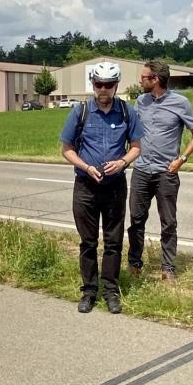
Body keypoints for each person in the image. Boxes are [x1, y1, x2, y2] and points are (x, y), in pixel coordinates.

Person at [59, 61, 142, 314]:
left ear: (116, 85)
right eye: (99, 84)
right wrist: (86, 167)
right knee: (88, 242)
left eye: (108, 84)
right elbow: (66, 149)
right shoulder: (80, 112)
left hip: (115, 186)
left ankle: (110, 291)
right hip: (86, 186)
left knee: (113, 241)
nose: (103, 89)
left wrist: (123, 162)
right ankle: (89, 291)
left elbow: (136, 147)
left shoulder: (127, 112)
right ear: (93, 84)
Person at [127, 59, 193, 282]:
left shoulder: (181, 103)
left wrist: (182, 159)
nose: (140, 81)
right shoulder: (140, 101)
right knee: (136, 220)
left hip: (166, 172)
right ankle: (134, 264)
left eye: (143, 78)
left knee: (168, 222)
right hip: (141, 170)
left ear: (155, 79)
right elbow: (132, 131)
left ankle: (168, 268)